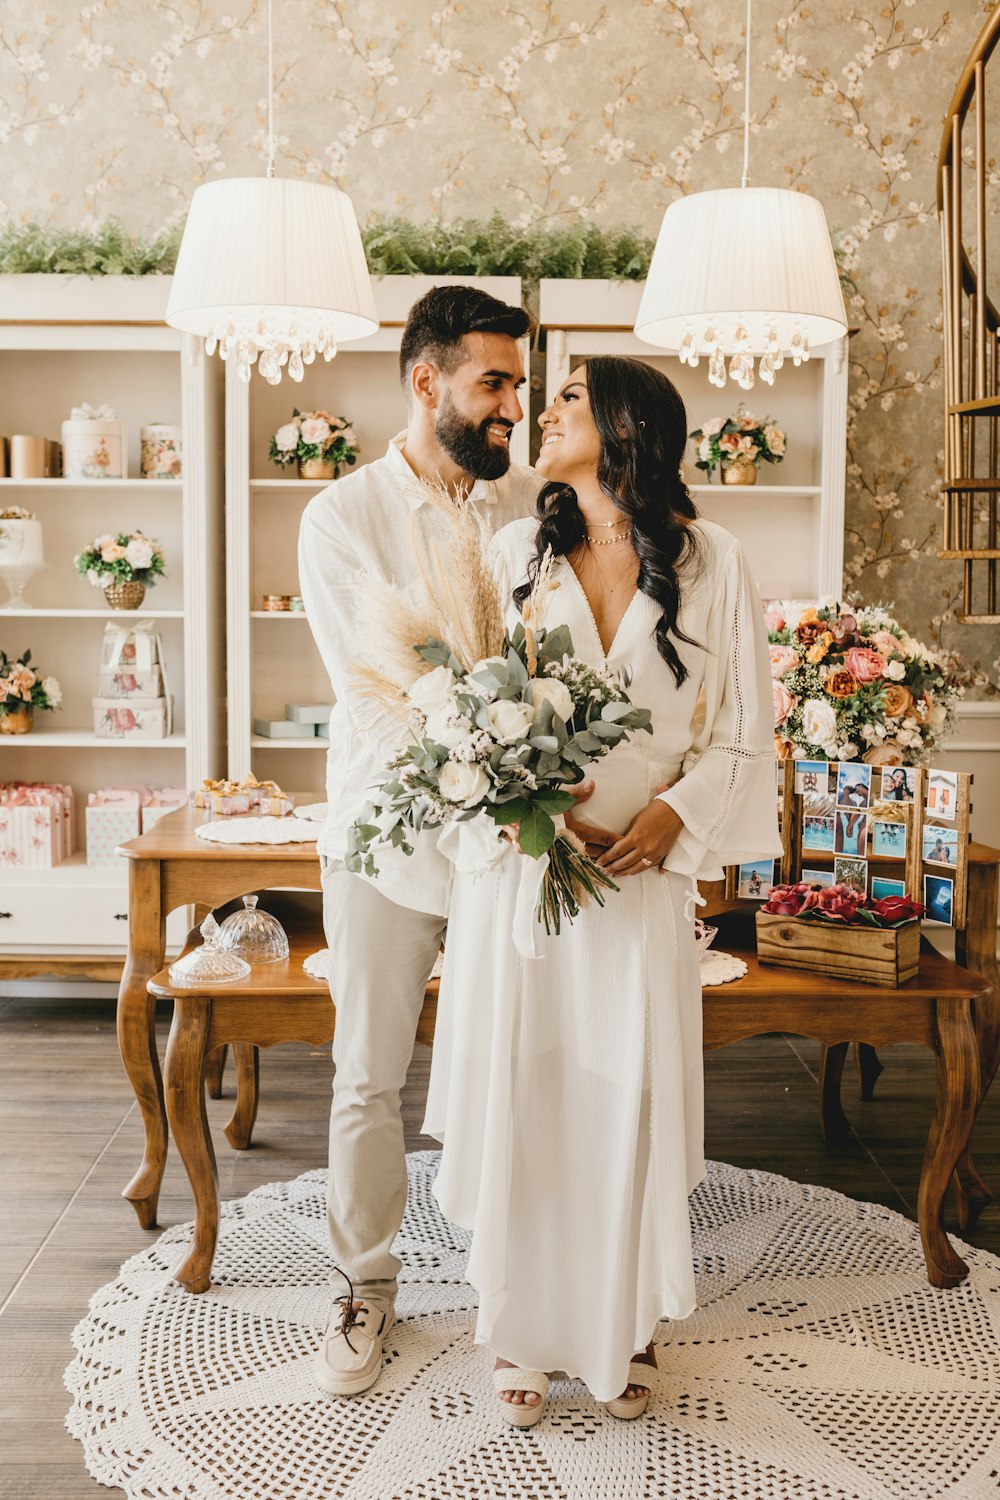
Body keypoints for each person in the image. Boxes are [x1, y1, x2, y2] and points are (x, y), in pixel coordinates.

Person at [423, 356, 782, 1424]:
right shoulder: (509, 555)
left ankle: (615, 1328)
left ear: (626, 425)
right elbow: (460, 719)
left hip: (638, 884)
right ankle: (521, 1334)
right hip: (529, 876)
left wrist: (676, 817)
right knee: (529, 1096)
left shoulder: (714, 560)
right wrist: (527, 804)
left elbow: (742, 731)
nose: (542, 411)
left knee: (619, 1098)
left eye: (568, 398)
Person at [298, 285, 542, 1398]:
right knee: (368, 1074)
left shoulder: (532, 507)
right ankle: (365, 1285)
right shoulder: (341, 516)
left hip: (512, 840)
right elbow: (380, 686)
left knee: (518, 1066)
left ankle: (523, 1289)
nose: (511, 409)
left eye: (519, 389)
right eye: (493, 383)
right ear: (425, 380)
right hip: (387, 835)